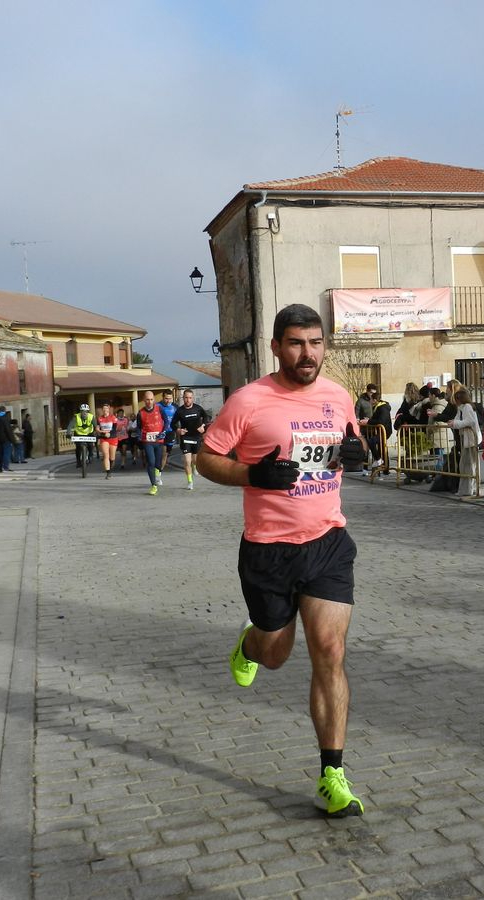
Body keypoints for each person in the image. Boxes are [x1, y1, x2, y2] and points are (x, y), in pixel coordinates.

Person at [199, 303, 367, 818]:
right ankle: (250, 644)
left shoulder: (338, 396)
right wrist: (252, 475)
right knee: (276, 654)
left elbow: (352, 443)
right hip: (269, 549)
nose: (307, 353)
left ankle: (332, 775)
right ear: (276, 347)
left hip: (328, 542)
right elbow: (207, 458)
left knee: (329, 651)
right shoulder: (249, 401)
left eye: (315, 343)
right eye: (296, 343)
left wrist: (358, 453)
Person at [170, 388, 210, 490]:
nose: (188, 400)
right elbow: (172, 424)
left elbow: (206, 417)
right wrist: (178, 430)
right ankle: (190, 481)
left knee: (195, 460)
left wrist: (203, 426)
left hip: (196, 437)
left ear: (193, 398)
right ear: (183, 398)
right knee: (187, 461)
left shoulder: (198, 408)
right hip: (186, 437)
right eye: (186, 398)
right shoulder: (180, 411)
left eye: (190, 398)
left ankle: (195, 467)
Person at [447, 388, 481, 497]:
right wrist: (454, 422)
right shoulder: (462, 408)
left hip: (471, 439)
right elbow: (459, 419)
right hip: (467, 439)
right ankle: (469, 488)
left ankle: (468, 489)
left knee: (468, 465)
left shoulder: (467, 407)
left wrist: (455, 423)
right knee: (466, 464)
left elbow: (470, 421)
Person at [137, 391, 165, 494]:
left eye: (151, 399)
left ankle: (157, 471)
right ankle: (153, 485)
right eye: (147, 400)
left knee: (158, 463)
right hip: (147, 441)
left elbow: (166, 422)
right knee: (151, 462)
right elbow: (139, 427)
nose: (149, 402)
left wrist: (163, 432)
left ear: (154, 400)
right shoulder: (140, 413)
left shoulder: (159, 409)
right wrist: (139, 436)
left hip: (159, 440)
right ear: (144, 400)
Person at [366, 388, 392, 477]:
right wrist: (368, 420)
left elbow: (381, 421)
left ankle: (379, 460)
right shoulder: (377, 407)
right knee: (382, 448)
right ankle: (385, 468)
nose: (370, 401)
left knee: (371, 441)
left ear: (375, 400)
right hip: (380, 431)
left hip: (385, 431)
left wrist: (368, 421)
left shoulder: (383, 407)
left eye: (371, 399)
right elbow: (375, 418)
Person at [67, 403, 96, 470]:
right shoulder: (76, 417)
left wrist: (96, 432)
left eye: (86, 411)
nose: (84, 413)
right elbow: (70, 425)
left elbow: (95, 426)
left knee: (90, 445)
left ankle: (90, 455)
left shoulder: (91, 417)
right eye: (83, 411)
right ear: (80, 412)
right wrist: (68, 433)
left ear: (88, 412)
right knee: (78, 447)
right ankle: (78, 462)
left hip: (89, 433)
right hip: (78, 434)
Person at [96, 401, 120, 478]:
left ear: (109, 409)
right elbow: (98, 428)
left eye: (106, 408)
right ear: (102, 410)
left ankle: (110, 467)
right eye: (104, 408)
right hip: (104, 438)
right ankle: (108, 473)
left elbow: (114, 429)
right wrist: (100, 431)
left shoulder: (113, 417)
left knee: (112, 457)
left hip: (113, 438)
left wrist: (109, 433)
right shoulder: (100, 418)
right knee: (106, 455)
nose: (105, 410)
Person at [157, 389, 177, 472]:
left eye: (170, 398)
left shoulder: (175, 407)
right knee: (163, 452)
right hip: (160, 432)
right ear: (162, 397)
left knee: (166, 453)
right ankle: (158, 471)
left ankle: (159, 471)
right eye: (166, 398)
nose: (168, 401)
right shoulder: (157, 406)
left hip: (171, 432)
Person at [0, 405, 13, 473]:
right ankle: (5, 467)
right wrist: (11, 439)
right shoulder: (5, 418)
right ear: (4, 410)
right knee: (6, 453)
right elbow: (8, 429)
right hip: (6, 438)